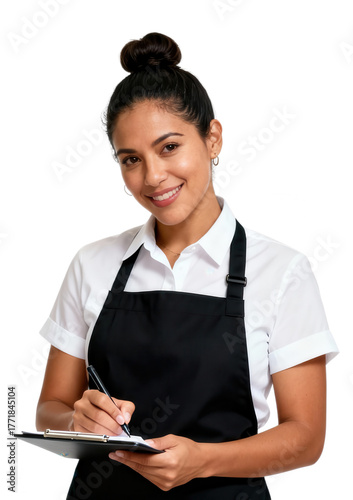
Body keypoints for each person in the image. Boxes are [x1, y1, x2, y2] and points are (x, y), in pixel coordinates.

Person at [36, 32, 338, 499]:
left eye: (169, 147)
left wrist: (203, 461)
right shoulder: (92, 265)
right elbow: (49, 410)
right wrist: (79, 419)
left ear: (212, 138)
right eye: (131, 159)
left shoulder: (282, 272)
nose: (153, 177)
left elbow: (305, 438)